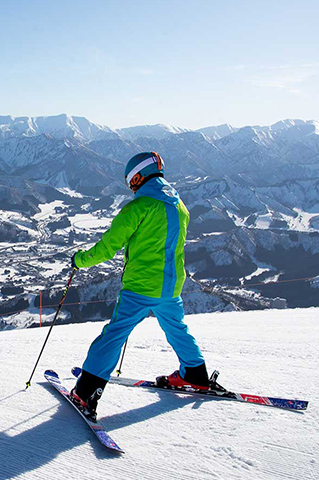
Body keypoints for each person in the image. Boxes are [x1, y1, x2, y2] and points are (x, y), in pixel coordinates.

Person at [67, 151, 214, 420]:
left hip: (140, 286)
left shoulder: (138, 208)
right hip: (171, 287)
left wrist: (79, 260)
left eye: (131, 181)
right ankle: (195, 374)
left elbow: (107, 248)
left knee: (114, 335)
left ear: (138, 176)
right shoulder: (179, 206)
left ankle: (85, 392)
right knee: (177, 328)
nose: (131, 186)